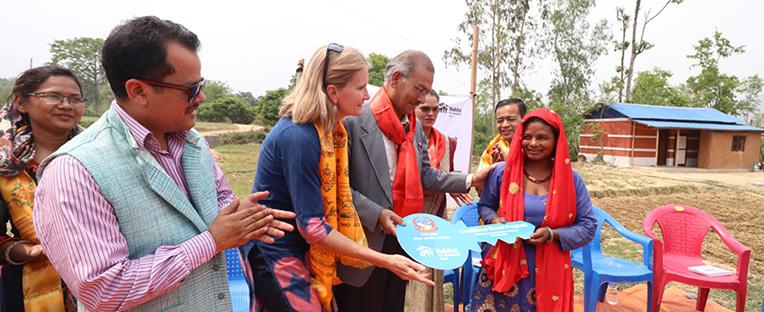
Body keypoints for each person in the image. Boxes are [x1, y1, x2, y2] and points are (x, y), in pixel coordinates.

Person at [32, 16, 294, 311]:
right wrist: (210, 242)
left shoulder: (191, 142)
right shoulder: (73, 171)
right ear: (138, 91)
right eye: (190, 89)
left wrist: (242, 217)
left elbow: (219, 201)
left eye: (201, 85)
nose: (202, 98)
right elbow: (104, 290)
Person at [249, 44, 433, 312]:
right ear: (333, 93)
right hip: (278, 254)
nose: (367, 95)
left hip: (304, 254)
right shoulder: (298, 136)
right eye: (360, 88)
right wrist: (382, 259)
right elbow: (312, 227)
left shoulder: (330, 133)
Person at [334, 50, 495, 312]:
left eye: (427, 90)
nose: (422, 97)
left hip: (404, 237)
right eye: (419, 89)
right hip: (362, 243)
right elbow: (339, 189)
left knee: (393, 304)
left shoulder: (413, 125)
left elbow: (425, 176)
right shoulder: (353, 119)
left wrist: (470, 179)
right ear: (396, 78)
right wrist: (377, 213)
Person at [470, 108, 596, 312]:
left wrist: (552, 234)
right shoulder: (503, 172)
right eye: (527, 137)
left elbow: (587, 226)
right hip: (502, 264)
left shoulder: (572, 181)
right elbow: (485, 205)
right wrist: (494, 220)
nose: (533, 143)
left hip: (548, 271)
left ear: (556, 141)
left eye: (542, 137)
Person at [0, 65, 84, 312]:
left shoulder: (98, 156)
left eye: (75, 99)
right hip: (28, 287)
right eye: (53, 96)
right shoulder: (6, 164)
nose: (66, 105)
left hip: (100, 278)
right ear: (21, 103)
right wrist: (21, 250)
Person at [405, 90, 471, 312]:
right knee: (412, 275)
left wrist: (453, 187)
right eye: (425, 109)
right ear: (413, 109)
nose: (431, 114)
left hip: (436, 218)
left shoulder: (446, 142)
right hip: (408, 219)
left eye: (435, 109)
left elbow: (444, 175)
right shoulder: (404, 139)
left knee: (433, 272)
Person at [477, 98, 527, 170]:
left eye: (511, 119)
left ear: (523, 120)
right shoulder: (493, 148)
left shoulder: (531, 146)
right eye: (500, 120)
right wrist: (495, 169)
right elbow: (480, 177)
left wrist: (509, 161)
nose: (504, 125)